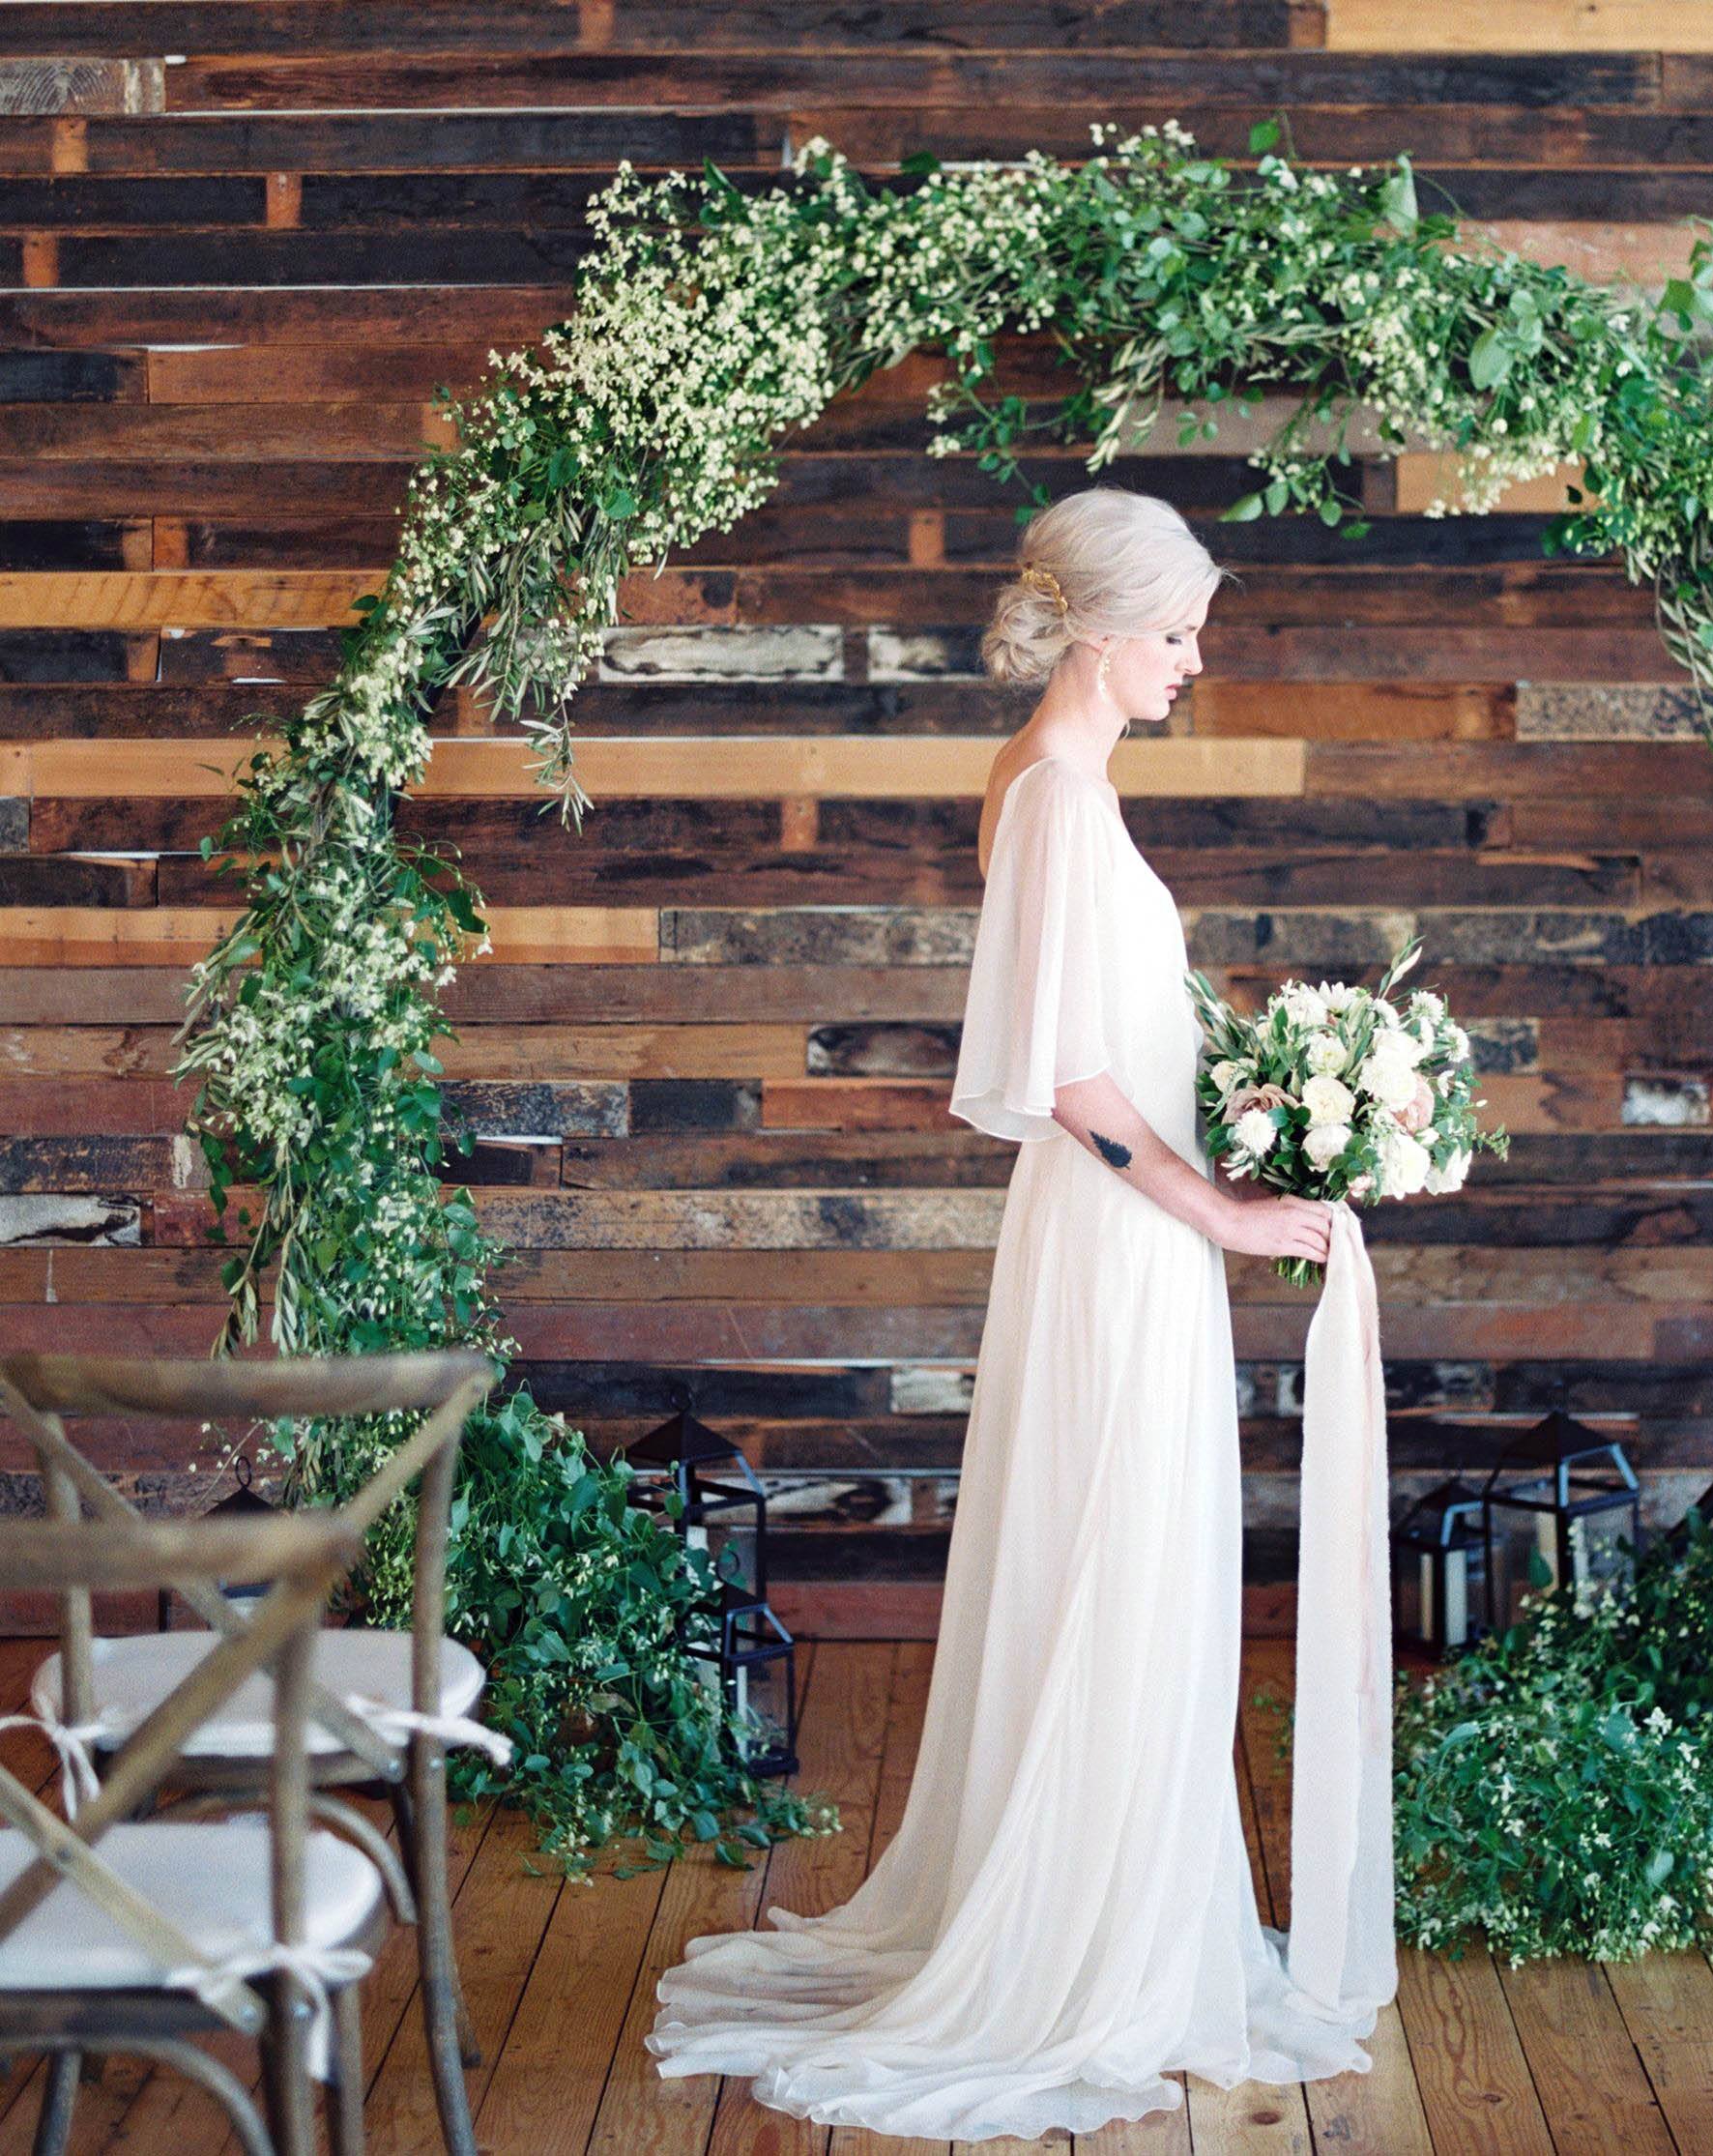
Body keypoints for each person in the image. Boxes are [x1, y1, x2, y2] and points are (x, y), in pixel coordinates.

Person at [648, 485, 1381, 2142]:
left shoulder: (1067, 785)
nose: (1197, 662)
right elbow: (1065, 1079)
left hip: (1127, 1237)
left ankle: (1130, 1904)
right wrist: (1227, 1208)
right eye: (1182, 632)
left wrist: (1262, 1130)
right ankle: (1086, 1950)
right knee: (1118, 1554)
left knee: (1131, 1558)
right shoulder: (1053, 793)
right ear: (1112, 631)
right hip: (1119, 1245)